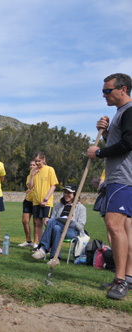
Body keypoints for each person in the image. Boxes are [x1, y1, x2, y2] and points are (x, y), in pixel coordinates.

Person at [87, 73, 132, 300]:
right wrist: (104, 134)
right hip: (120, 178)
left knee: (114, 227)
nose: (104, 95)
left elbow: (128, 144)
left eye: (107, 90)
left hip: (123, 178)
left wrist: (99, 152)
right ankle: (128, 276)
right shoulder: (120, 114)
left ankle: (120, 280)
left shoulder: (130, 111)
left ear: (122, 89)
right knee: (124, 229)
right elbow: (117, 142)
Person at [31, 185, 86, 265]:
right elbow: (52, 221)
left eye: (69, 193)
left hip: (72, 231)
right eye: (65, 192)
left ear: (75, 194)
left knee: (52, 222)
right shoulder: (58, 205)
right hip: (58, 229)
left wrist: (73, 221)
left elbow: (81, 228)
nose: (66, 194)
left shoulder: (81, 208)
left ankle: (43, 249)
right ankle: (55, 258)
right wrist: (49, 223)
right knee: (56, 228)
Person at [29, 152, 58, 247]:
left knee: (47, 223)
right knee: (38, 223)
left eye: (39, 161)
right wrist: (32, 175)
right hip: (36, 201)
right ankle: (42, 246)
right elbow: (30, 187)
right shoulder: (34, 171)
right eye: (36, 161)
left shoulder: (50, 169)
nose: (37, 163)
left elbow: (53, 186)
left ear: (44, 159)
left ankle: (50, 245)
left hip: (46, 202)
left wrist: (45, 199)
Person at [19, 161, 37, 247]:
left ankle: (36, 242)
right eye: (31, 165)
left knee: (36, 222)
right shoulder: (29, 176)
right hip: (28, 200)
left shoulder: (40, 174)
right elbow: (29, 187)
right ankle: (28, 240)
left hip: (36, 200)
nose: (32, 166)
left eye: (34, 165)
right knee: (25, 221)